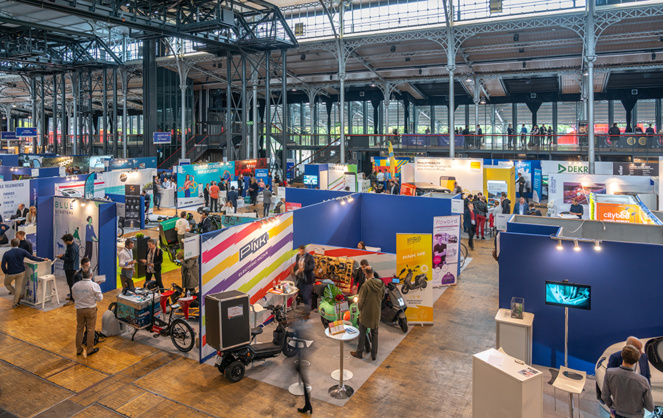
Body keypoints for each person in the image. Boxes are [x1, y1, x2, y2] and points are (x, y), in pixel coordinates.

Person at [601, 344, 654, 418]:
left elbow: (604, 396)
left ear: (622, 355)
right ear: (637, 359)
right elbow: (650, 407)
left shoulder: (609, 373)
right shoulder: (643, 381)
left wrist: (613, 407)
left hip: (615, 414)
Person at [2, 238, 48, 308]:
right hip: (21, 272)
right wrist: (43, 260)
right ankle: (15, 303)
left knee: (7, 284)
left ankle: (17, 296)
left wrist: (6, 272)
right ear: (19, 244)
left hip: (10, 273)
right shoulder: (22, 251)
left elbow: (3, 265)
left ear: (11, 245)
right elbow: (32, 258)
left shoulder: (7, 253)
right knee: (18, 287)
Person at [351, 268, 384, 361]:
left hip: (366, 313)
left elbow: (361, 301)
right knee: (375, 334)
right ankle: (374, 355)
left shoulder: (365, 286)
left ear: (365, 274)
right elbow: (382, 297)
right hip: (376, 312)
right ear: (373, 273)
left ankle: (359, 353)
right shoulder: (381, 284)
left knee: (362, 333)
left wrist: (359, 309)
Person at [72, 267, 103, 357]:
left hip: (80, 310)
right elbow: (100, 299)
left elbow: (74, 297)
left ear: (82, 275)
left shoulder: (75, 285)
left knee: (79, 329)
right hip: (91, 310)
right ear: (91, 275)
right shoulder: (94, 286)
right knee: (90, 330)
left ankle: (78, 349)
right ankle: (89, 350)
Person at [293, 245, 315, 318]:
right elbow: (297, 265)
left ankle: (307, 313)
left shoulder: (309, 257)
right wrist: (294, 271)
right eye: (299, 250)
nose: (300, 252)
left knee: (307, 296)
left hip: (308, 280)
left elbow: (312, 267)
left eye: (301, 250)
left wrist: (304, 269)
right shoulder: (298, 256)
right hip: (301, 279)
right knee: (303, 295)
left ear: (304, 250)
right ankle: (306, 310)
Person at [57, 233, 79, 303]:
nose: (64, 243)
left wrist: (61, 258)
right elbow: (70, 255)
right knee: (71, 283)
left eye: (64, 241)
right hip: (71, 267)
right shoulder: (72, 245)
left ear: (68, 241)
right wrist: (64, 255)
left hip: (70, 268)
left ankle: (72, 299)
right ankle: (72, 297)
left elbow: (71, 258)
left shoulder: (72, 248)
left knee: (71, 284)